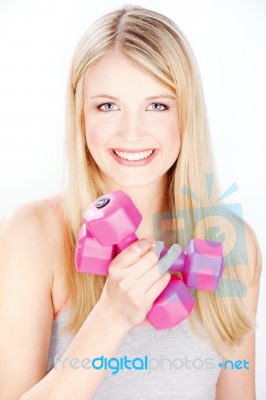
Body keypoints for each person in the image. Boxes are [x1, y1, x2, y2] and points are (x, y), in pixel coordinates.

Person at [0, 5, 262, 399]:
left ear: (184, 113)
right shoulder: (33, 235)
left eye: (157, 105)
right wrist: (111, 317)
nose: (133, 132)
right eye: (108, 106)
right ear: (81, 115)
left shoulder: (231, 241)